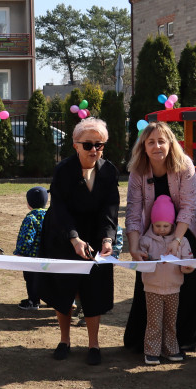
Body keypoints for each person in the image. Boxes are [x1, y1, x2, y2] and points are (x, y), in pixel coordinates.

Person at [39, 118, 119, 365]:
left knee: (94, 289)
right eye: (87, 145)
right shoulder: (63, 169)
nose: (94, 150)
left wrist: (108, 238)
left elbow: (110, 209)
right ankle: (65, 340)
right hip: (63, 234)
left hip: (95, 235)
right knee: (64, 288)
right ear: (75, 145)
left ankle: (94, 344)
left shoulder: (109, 171)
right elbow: (60, 208)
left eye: (99, 144)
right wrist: (74, 238)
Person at [123, 122, 196, 353]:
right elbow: (132, 211)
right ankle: (141, 342)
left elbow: (188, 207)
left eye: (162, 141)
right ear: (143, 146)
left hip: (185, 229)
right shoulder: (138, 171)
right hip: (152, 231)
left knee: (186, 285)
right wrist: (133, 248)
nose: (157, 146)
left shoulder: (185, 166)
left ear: (171, 144)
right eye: (151, 142)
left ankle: (183, 343)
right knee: (148, 282)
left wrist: (176, 241)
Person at [138, 196, 194, 365]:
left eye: (165, 226)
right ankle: (151, 351)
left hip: (174, 287)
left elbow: (187, 262)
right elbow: (140, 264)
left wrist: (187, 267)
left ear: (172, 225)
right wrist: (146, 260)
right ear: (152, 224)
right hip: (152, 288)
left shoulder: (182, 241)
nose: (161, 229)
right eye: (157, 226)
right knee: (154, 321)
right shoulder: (145, 241)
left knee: (170, 321)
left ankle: (170, 349)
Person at [14, 186, 48, 311]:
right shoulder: (51, 216)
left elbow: (26, 238)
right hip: (49, 255)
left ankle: (33, 301)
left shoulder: (30, 218)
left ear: (29, 203)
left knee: (31, 279)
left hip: (32, 258)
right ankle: (50, 300)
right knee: (47, 278)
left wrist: (21, 252)